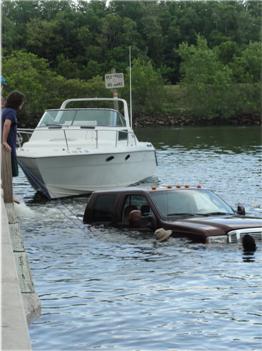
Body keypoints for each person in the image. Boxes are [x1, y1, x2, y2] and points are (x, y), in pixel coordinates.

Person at [2, 90, 25, 178]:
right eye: (22, 102)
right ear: (18, 102)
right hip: (8, 145)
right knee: (9, 172)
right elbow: (7, 124)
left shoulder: (5, 110)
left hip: (7, 144)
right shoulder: (11, 112)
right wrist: (4, 141)